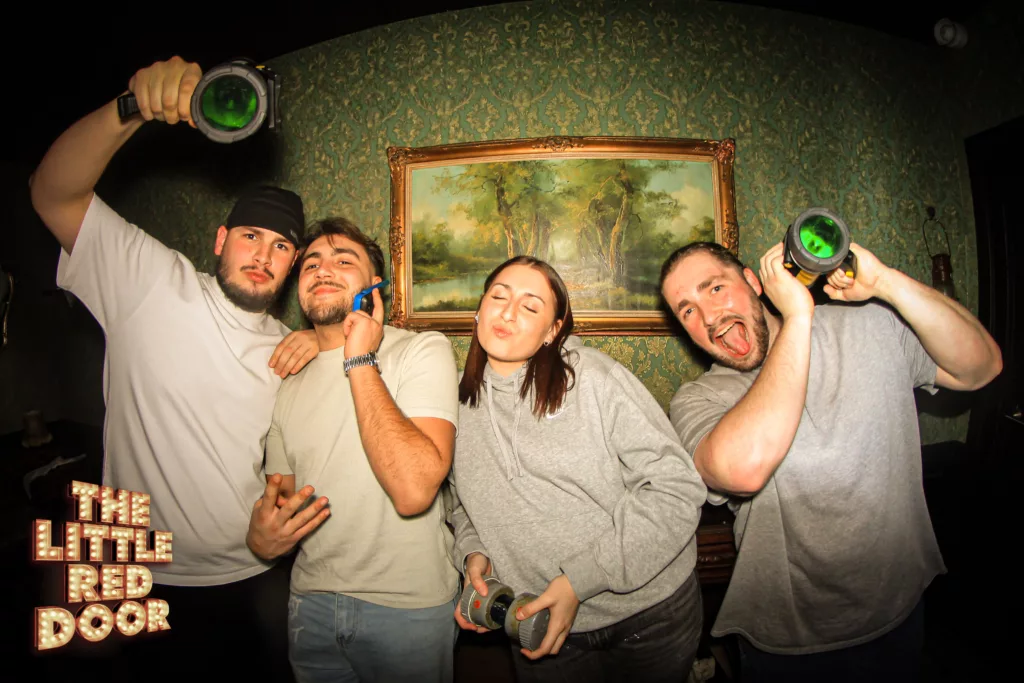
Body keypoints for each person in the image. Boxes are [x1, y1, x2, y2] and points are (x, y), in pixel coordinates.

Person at [28, 56, 321, 680]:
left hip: (252, 572)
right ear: (220, 240)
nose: (263, 255)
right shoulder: (151, 283)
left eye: (281, 246)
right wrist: (130, 109)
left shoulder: (289, 346)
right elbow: (52, 193)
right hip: (135, 571)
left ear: (292, 265)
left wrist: (326, 339)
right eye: (250, 236)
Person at [659, 240, 1003, 682]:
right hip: (787, 644)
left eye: (714, 288)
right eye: (687, 310)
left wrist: (886, 282)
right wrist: (798, 319)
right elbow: (743, 469)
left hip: (899, 614)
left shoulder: (870, 325)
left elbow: (982, 367)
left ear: (753, 282)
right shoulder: (697, 400)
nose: (707, 316)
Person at [449, 255, 708, 683]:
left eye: (530, 306)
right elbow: (461, 504)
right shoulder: (451, 402)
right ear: (479, 310)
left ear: (552, 331)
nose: (508, 313)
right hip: (538, 621)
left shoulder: (594, 379)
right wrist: (474, 553)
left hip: (648, 613)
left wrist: (579, 580)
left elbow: (676, 488)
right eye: (498, 297)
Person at [245, 216, 462, 683]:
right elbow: (283, 501)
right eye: (311, 264)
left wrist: (359, 359)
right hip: (309, 605)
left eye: (344, 261)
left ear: (374, 284)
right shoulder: (288, 382)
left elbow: (413, 491)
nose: (323, 269)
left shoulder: (422, 351)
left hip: (407, 608)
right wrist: (262, 539)